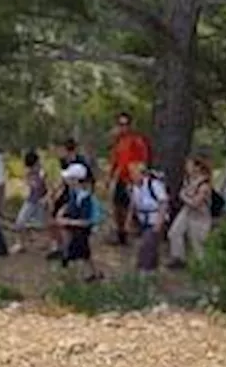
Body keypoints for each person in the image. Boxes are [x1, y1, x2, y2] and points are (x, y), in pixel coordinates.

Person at [55, 163, 102, 281]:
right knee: (85, 254)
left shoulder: (85, 198)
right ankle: (94, 274)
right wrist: (63, 213)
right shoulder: (75, 193)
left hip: (82, 230)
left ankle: (74, 278)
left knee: (76, 254)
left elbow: (86, 222)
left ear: (76, 180)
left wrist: (67, 221)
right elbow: (70, 208)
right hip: (76, 229)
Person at [108, 112, 150, 245]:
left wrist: (138, 177)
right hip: (120, 177)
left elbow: (143, 160)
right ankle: (120, 233)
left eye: (125, 124)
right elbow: (115, 160)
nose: (123, 127)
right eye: (120, 124)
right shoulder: (118, 141)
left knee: (129, 207)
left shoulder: (136, 141)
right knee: (117, 206)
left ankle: (129, 233)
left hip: (131, 178)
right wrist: (110, 176)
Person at [167, 154, 214, 269]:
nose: (186, 167)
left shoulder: (204, 184)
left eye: (189, 165)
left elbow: (196, 203)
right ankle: (178, 258)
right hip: (187, 211)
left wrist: (184, 197)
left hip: (200, 216)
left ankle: (203, 267)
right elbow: (184, 193)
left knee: (197, 242)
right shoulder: (188, 179)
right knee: (174, 232)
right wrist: (185, 196)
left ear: (197, 167)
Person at [128, 165, 168, 272]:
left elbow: (163, 203)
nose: (132, 176)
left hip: (154, 219)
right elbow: (133, 205)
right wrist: (129, 220)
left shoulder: (154, 185)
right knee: (151, 245)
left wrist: (159, 223)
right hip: (142, 219)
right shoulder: (133, 187)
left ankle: (143, 268)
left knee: (147, 243)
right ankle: (153, 269)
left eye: (135, 174)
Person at [14, 151, 48, 231]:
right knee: (20, 223)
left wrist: (45, 198)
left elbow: (49, 189)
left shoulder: (42, 174)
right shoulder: (29, 173)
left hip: (39, 202)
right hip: (31, 201)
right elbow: (29, 188)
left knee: (38, 225)